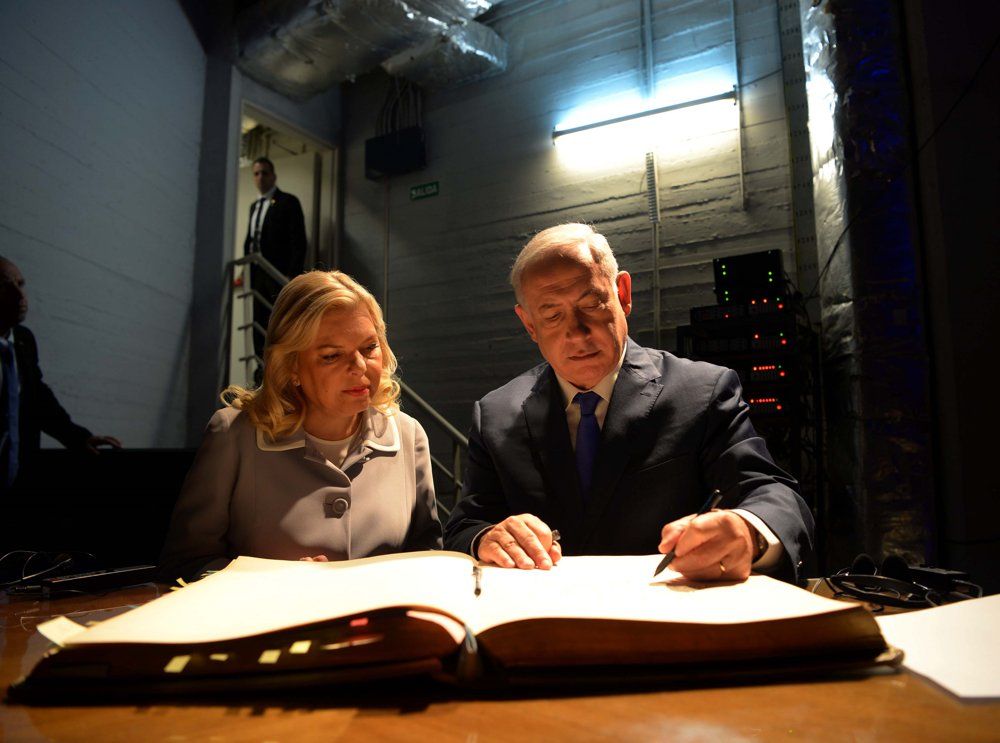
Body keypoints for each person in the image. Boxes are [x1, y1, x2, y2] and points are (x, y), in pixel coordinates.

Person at [443, 224, 813, 583]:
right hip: (543, 630)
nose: (576, 333)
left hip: (672, 619)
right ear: (529, 325)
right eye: (552, 315)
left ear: (622, 293)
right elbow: (465, 527)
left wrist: (749, 531)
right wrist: (488, 537)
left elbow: (773, 494)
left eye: (590, 303)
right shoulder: (496, 414)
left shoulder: (701, 391)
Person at [160, 270, 441, 582]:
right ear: (291, 365)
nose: (360, 367)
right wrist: (274, 582)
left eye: (369, 347)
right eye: (332, 356)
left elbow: (427, 556)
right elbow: (183, 564)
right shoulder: (234, 434)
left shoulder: (408, 434)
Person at [0, 256, 121, 489]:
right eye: (5, 286)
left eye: (21, 284)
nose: (20, 296)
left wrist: (78, 438)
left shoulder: (23, 340)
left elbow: (37, 398)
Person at [244, 156, 308, 362]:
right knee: (259, 321)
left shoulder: (288, 202)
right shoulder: (254, 207)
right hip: (257, 273)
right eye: (256, 173)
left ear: (273, 176)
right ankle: (260, 368)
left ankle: (280, 367)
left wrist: (292, 276)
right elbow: (251, 240)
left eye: (264, 173)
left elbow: (298, 241)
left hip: (278, 273)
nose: (260, 177)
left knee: (280, 322)